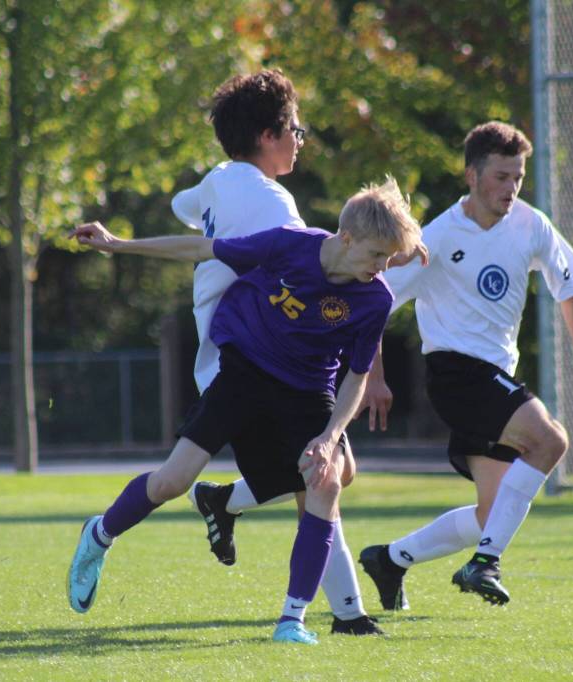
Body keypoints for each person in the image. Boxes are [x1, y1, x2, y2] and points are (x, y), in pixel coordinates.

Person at [65, 177, 423, 645]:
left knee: (327, 479)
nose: (382, 268)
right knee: (173, 481)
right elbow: (200, 248)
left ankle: (291, 622)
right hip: (244, 374)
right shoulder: (289, 246)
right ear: (347, 238)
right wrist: (117, 244)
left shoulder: (375, 297)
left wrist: (331, 435)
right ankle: (99, 534)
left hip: (308, 391)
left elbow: (355, 377)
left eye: (389, 259)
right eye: (377, 255)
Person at [356, 121, 573, 609]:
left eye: (517, 177)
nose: (510, 188)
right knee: (551, 439)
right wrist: (377, 378)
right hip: (456, 374)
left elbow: (570, 287)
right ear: (472, 176)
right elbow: (375, 304)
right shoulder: (436, 237)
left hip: (496, 376)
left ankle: (390, 559)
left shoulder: (531, 225)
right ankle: (484, 564)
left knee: (491, 514)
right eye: (500, 177)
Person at [169, 69, 379, 635]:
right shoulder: (276, 206)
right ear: (267, 135)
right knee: (321, 473)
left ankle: (224, 503)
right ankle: (347, 615)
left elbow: (181, 205)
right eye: (295, 128)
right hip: (255, 356)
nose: (300, 139)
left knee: (333, 469)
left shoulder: (218, 178)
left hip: (233, 351)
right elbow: (318, 281)